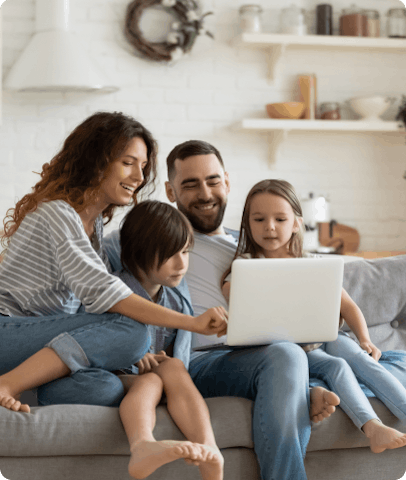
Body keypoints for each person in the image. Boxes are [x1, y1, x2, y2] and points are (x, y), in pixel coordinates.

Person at [0, 112, 227, 413]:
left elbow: (93, 303)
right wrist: (192, 322)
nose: (139, 177)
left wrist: (131, 356)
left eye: (143, 167)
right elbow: (106, 295)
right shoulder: (58, 214)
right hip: (9, 332)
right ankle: (8, 384)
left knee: (104, 387)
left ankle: (31, 384)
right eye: (128, 162)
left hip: (39, 343)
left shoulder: (92, 227)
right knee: (133, 332)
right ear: (95, 161)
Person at [163, 140, 341, 480]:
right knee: (287, 357)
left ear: (227, 182)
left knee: (295, 355)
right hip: (203, 361)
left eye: (213, 180)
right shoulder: (165, 240)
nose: (205, 193)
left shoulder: (253, 246)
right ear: (171, 192)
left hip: (263, 353)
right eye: (190, 184)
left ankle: (302, 389)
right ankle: (302, 391)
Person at [220, 178, 406, 455]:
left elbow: (350, 307)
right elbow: (233, 295)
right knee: (337, 367)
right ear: (247, 224)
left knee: (356, 355)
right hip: (289, 350)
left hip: (324, 337)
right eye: (259, 219)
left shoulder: (314, 263)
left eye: (280, 219)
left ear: (296, 223)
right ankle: (372, 427)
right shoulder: (245, 267)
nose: (269, 227)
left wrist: (365, 339)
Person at [115, 200, 223, 480]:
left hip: (164, 375)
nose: (181, 263)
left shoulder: (175, 297)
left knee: (174, 367)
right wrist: (130, 353)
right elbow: (96, 337)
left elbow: (179, 351)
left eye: (186, 252)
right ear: (138, 253)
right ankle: (143, 446)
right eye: (170, 255)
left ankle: (209, 450)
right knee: (151, 380)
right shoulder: (115, 291)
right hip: (121, 374)